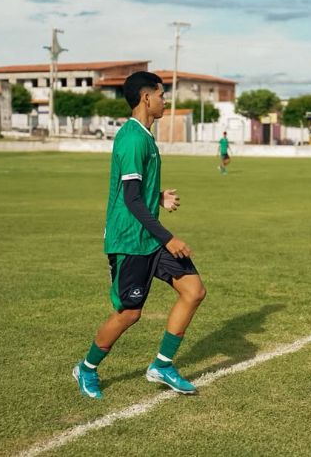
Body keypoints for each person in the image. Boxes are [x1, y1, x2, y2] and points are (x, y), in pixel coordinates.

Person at [73, 71, 207, 399]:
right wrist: (169, 238)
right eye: (161, 95)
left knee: (194, 291)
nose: (165, 101)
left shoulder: (145, 136)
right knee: (129, 313)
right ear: (146, 98)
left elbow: (137, 192)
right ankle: (86, 369)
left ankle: (162, 365)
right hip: (130, 240)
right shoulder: (133, 138)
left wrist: (157, 196)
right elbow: (131, 199)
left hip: (149, 237)